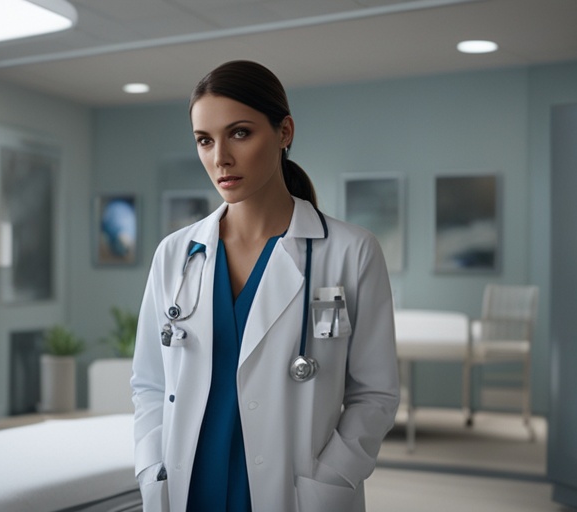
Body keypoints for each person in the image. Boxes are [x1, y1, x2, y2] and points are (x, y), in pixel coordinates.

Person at [131, 60, 399, 512]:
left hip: (295, 490)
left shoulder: (350, 252)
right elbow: (150, 384)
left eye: (239, 133)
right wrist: (151, 465)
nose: (220, 158)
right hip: (189, 485)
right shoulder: (176, 255)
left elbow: (375, 392)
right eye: (205, 140)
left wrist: (333, 475)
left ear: (284, 132)